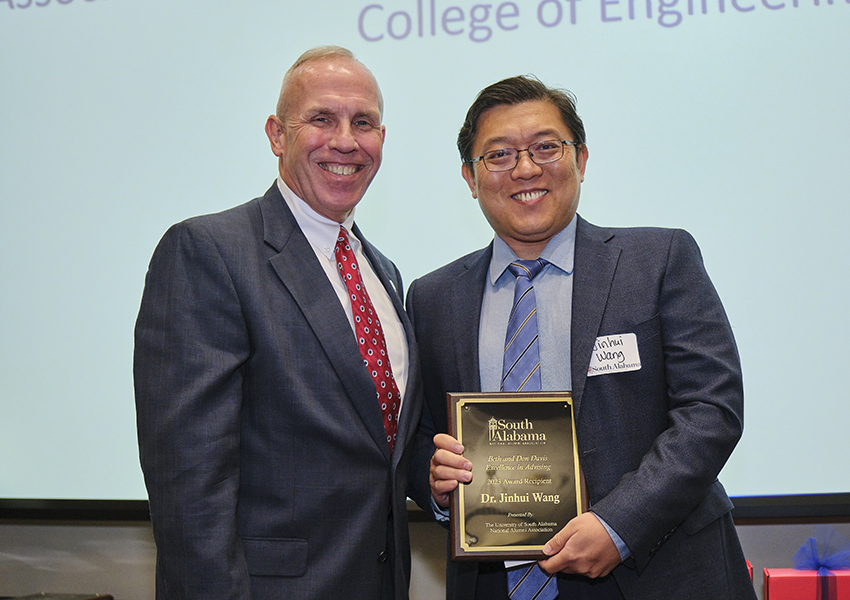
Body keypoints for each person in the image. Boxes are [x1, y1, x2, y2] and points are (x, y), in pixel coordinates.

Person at [405, 75, 756, 599]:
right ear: (470, 178)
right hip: (491, 585)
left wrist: (618, 525)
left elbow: (711, 410)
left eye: (546, 147)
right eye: (499, 155)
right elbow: (418, 436)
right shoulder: (432, 297)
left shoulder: (658, 261)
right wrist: (435, 484)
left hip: (657, 576)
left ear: (581, 159)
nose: (525, 168)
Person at [134, 46, 422, 600]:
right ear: (276, 134)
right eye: (321, 119)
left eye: (363, 122)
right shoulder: (208, 252)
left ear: (382, 138)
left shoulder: (383, 273)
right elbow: (189, 483)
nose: (345, 140)